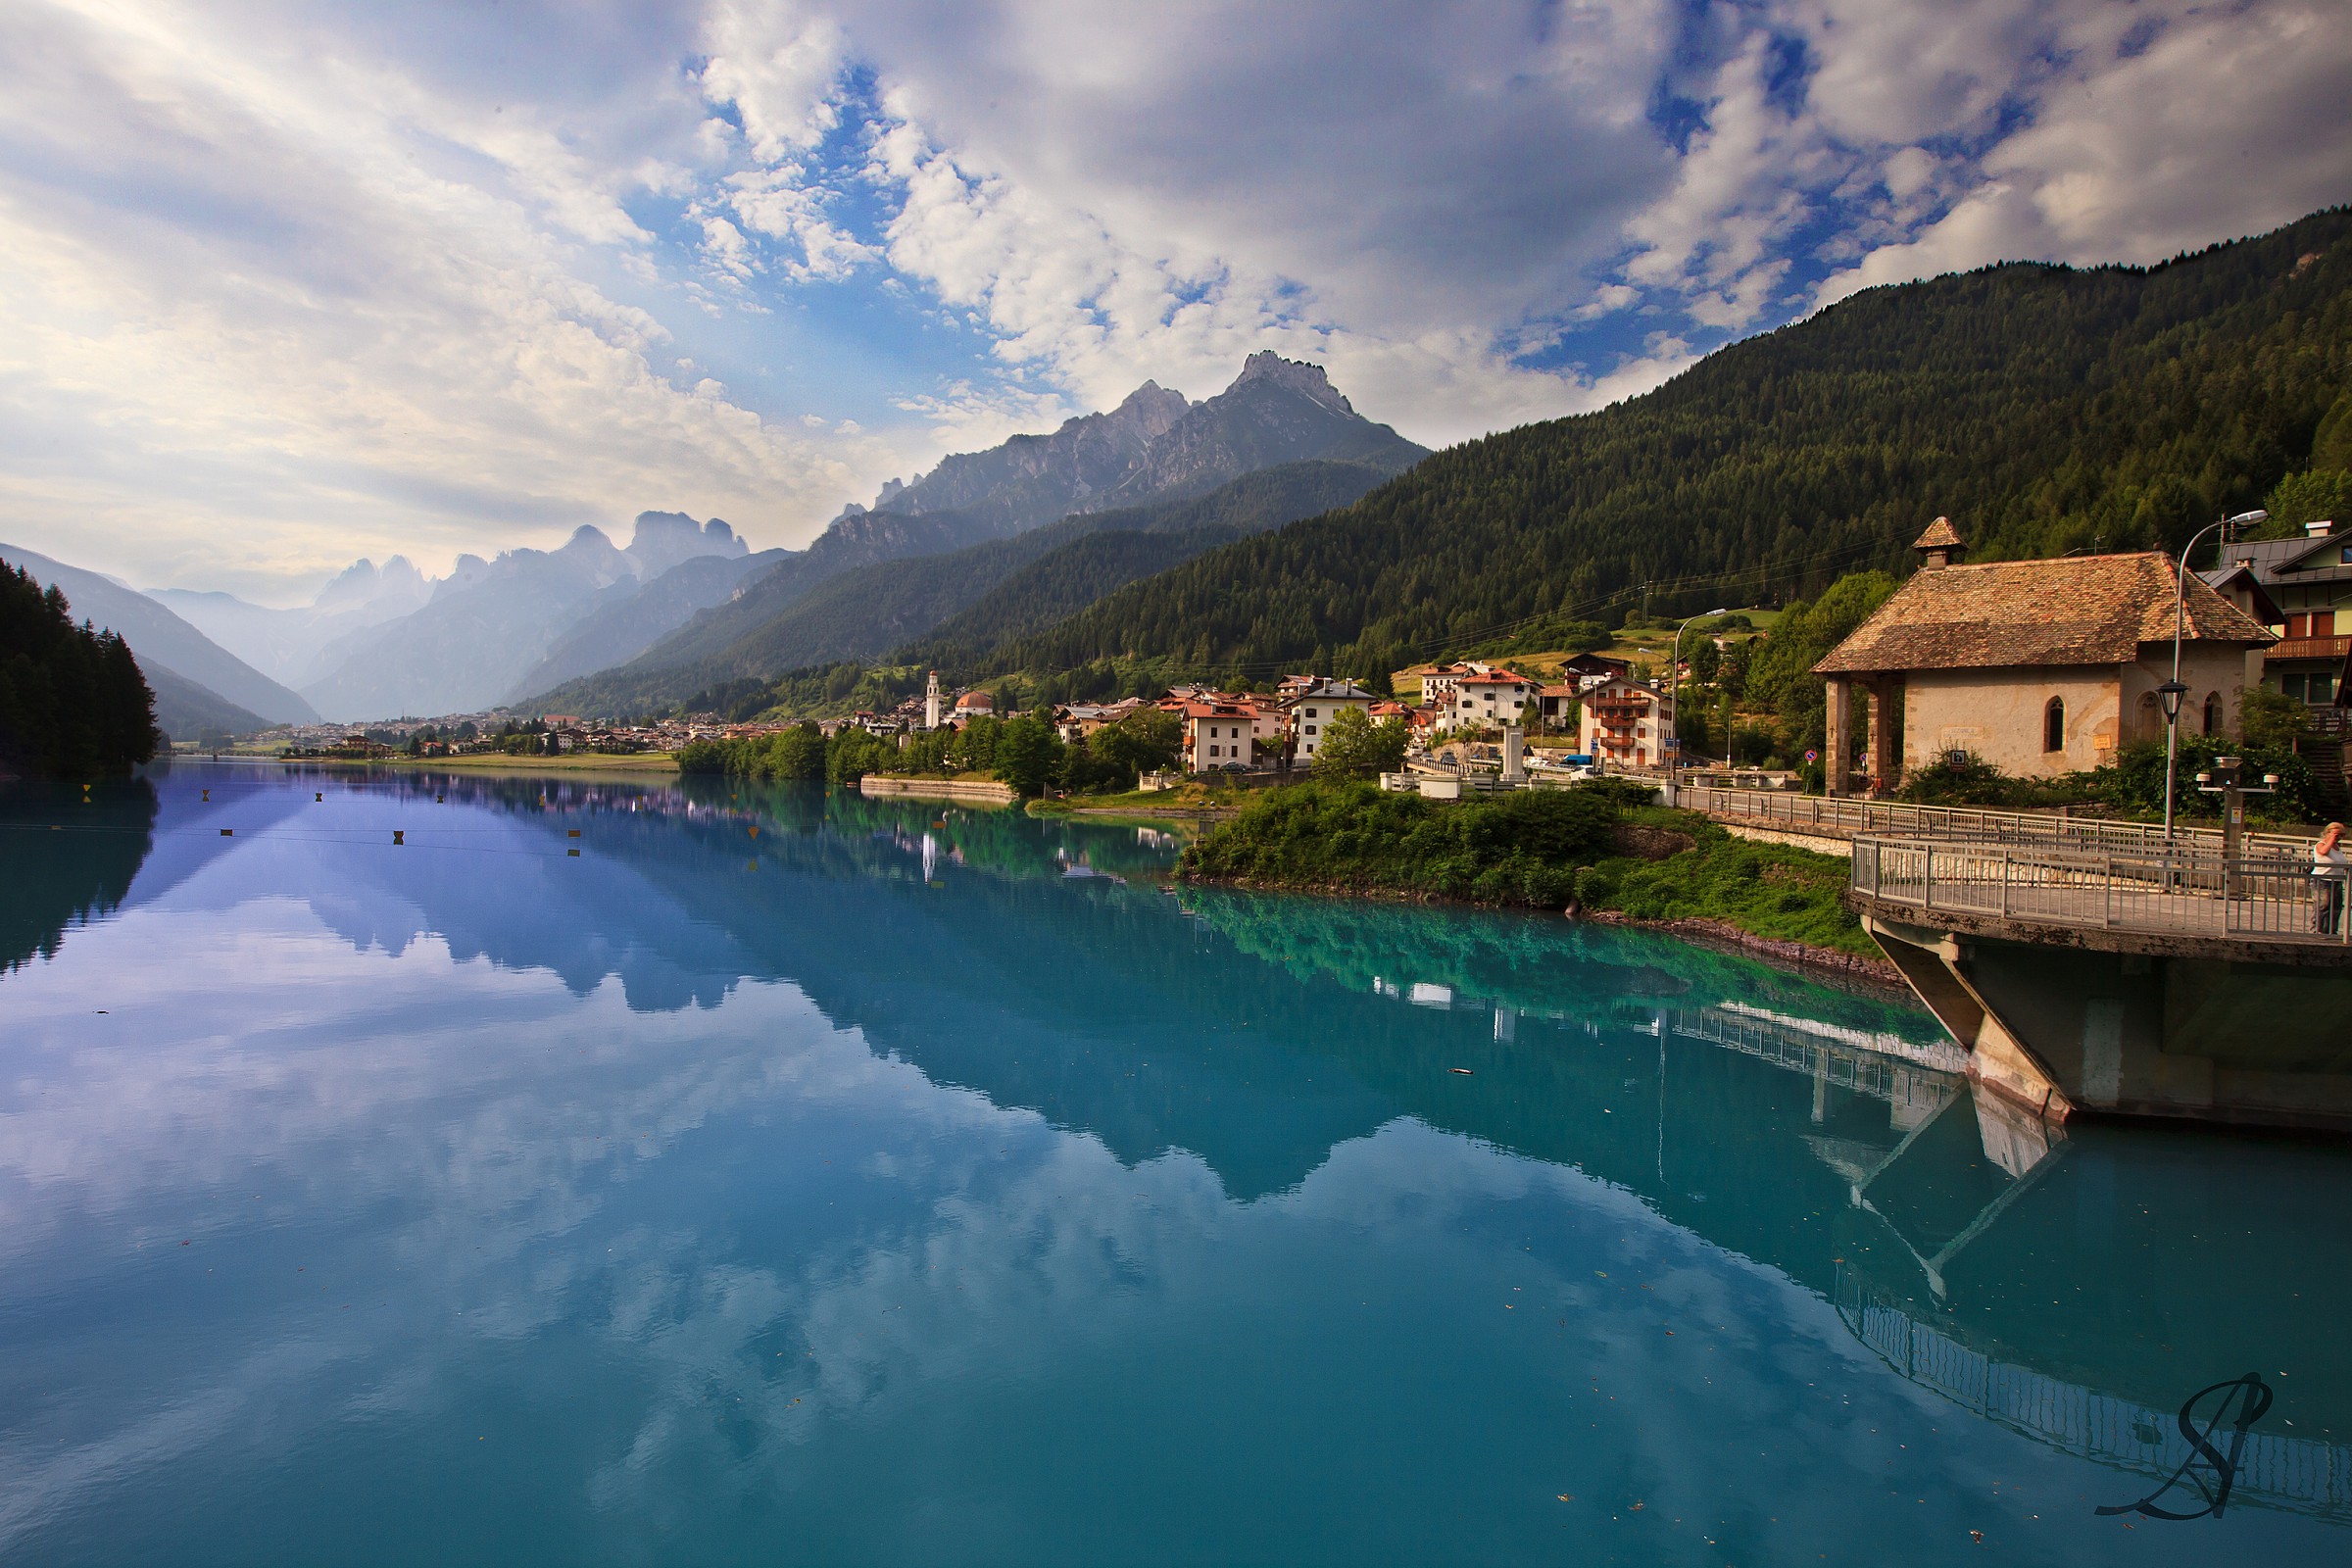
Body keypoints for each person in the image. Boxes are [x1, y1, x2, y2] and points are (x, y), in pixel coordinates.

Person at [2313, 822, 2349, 936]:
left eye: (2341, 835)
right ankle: (2319, 931)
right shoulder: (2321, 844)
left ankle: (2332, 931)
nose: (2339, 838)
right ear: (2328, 833)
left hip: (2337, 881)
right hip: (2323, 880)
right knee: (2323, 906)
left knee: (2336, 907)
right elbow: (2323, 852)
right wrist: (2331, 839)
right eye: (2337, 835)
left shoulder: (2337, 847)